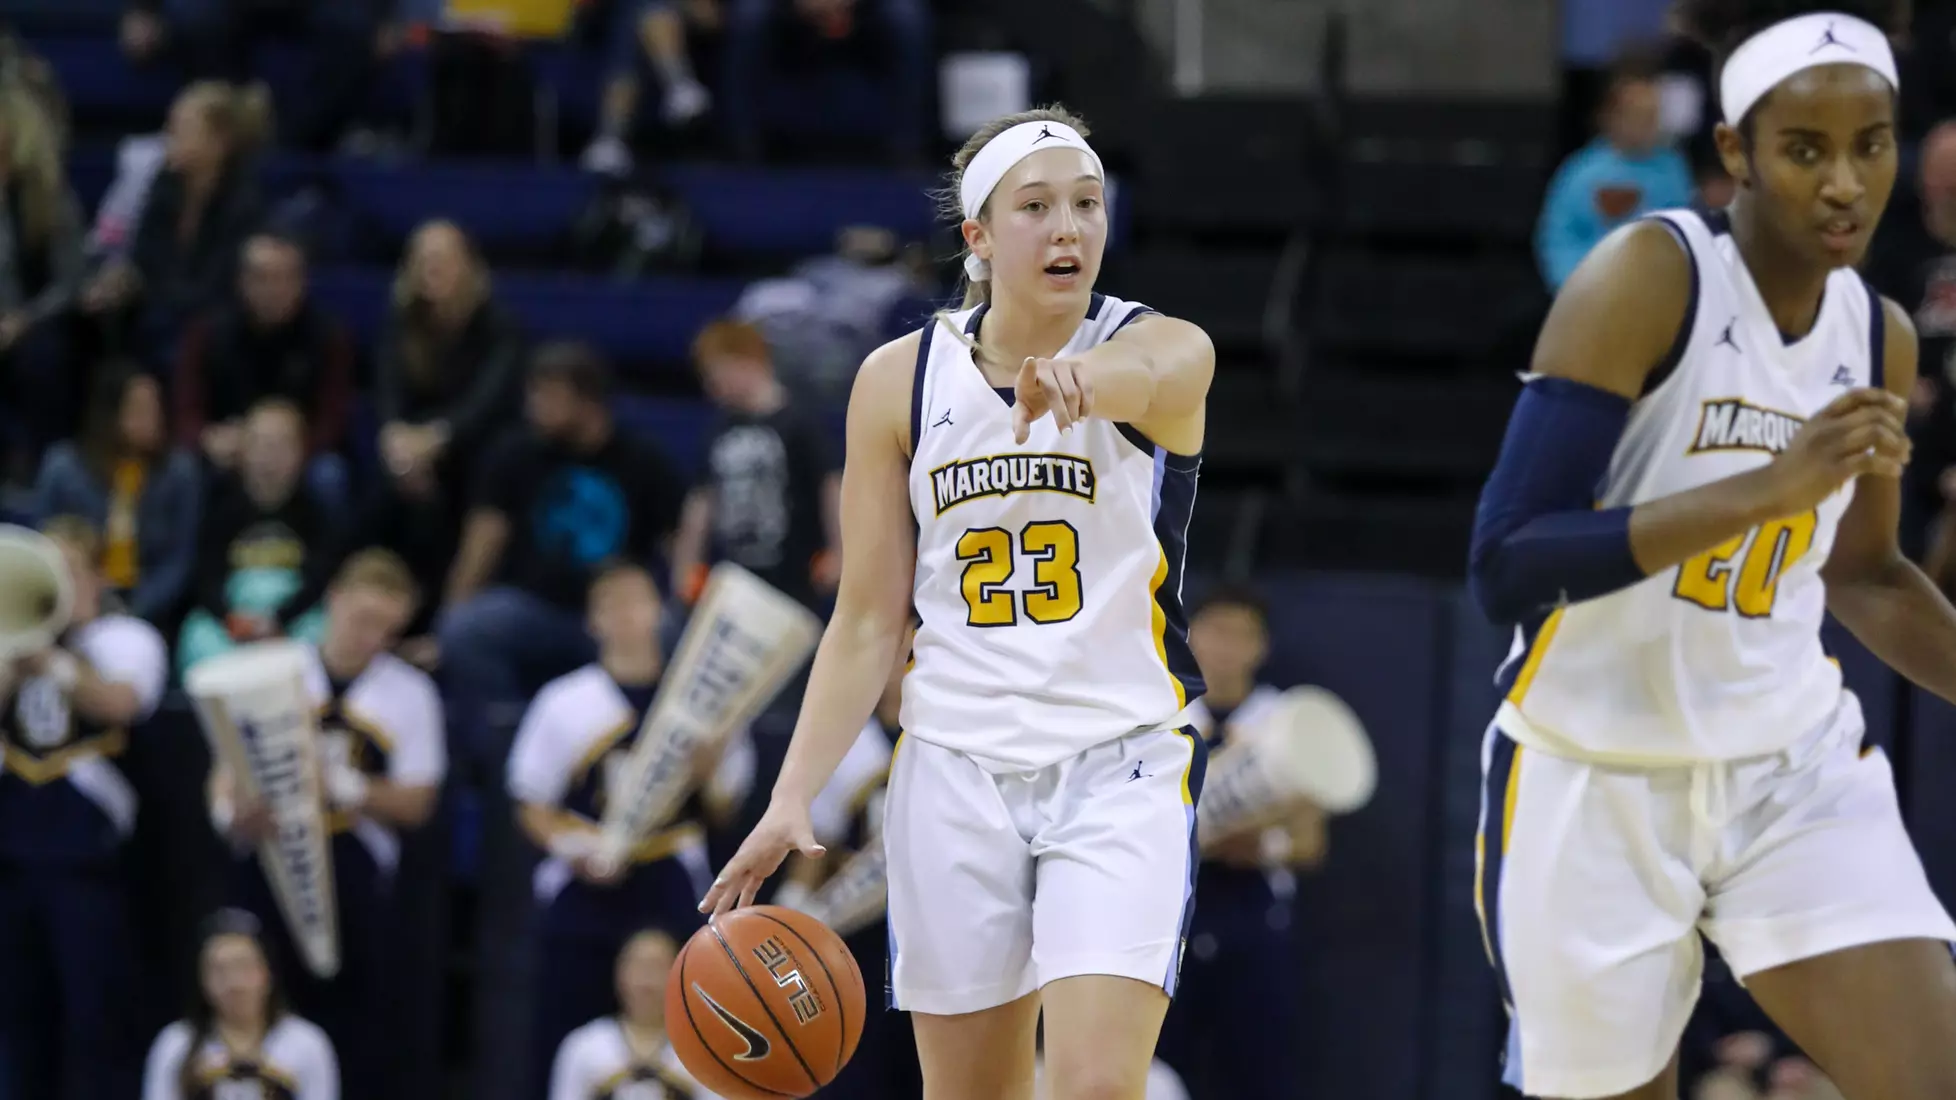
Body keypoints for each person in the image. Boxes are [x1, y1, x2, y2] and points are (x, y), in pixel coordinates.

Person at [1466, 2, 1956, 1097]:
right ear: (1735, 150)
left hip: (1788, 763)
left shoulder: (1877, 332)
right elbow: (1506, 560)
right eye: (1806, 150)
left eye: (1872, 146)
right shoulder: (1649, 276)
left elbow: (1868, 574)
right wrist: (1767, 490)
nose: (1845, 183)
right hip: (1594, 774)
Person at [704, 104, 1217, 1100]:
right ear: (979, 236)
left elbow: (1155, 372)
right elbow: (867, 618)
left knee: (1096, 1086)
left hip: (1119, 760)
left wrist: (1083, 380)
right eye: (1037, 206)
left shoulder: (1160, 346)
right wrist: (791, 793)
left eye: (1087, 204)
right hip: (953, 766)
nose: (1068, 228)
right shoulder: (897, 380)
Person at [208, 549, 443, 1099]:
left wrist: (344, 785)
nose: (371, 637)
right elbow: (223, 772)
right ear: (334, 600)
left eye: (387, 628)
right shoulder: (273, 667)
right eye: (363, 619)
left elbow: (418, 803)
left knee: (354, 1022)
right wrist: (230, 814)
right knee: (258, 1006)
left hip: (352, 869)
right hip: (270, 857)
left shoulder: (411, 692)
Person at [507, 560, 736, 1098]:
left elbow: (725, 811)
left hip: (671, 875)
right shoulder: (565, 700)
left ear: (659, 611)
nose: (627, 615)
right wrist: (573, 846)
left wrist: (709, 773)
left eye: (637, 601)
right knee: (567, 1029)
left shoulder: (700, 700)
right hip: (587, 882)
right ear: (593, 621)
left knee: (691, 1027)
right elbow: (529, 802)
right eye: (611, 605)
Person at [439, 343, 683, 765]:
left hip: (615, 614)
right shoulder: (516, 453)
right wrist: (452, 607)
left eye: (547, 397)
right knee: (465, 629)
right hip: (536, 609)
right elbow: (482, 541)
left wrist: (678, 603)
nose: (534, 407)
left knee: (677, 636)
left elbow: (679, 545)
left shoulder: (643, 459)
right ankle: (509, 751)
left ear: (588, 401)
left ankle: (645, 751)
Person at [0, 515, 170, 1100]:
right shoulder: (11, 638)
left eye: (70, 572)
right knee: (18, 1022)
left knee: (95, 1022)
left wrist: (56, 662)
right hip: (12, 859)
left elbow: (123, 704)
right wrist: (16, 652)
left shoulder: (125, 639)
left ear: (98, 578)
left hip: (88, 864)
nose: (59, 585)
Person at [1155, 583, 1325, 1099]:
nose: (1226, 647)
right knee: (1158, 1066)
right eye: (1215, 631)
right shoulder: (1161, 712)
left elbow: (1310, 841)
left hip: (1252, 912)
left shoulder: (1283, 719)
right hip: (1169, 912)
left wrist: (1261, 847)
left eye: (1240, 635)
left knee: (1256, 1068)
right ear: (1191, 636)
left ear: (1261, 646)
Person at [671, 318, 843, 612]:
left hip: (794, 574)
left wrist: (839, 551)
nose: (712, 387)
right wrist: (686, 563)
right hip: (738, 576)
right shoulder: (720, 428)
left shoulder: (799, 422)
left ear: (748, 361)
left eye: (717, 373)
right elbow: (702, 500)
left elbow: (829, 486)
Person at [33, 366, 201, 624]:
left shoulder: (179, 472)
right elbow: (43, 541)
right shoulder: (64, 468)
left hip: (150, 606)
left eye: (155, 408)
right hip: (74, 601)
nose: (151, 419)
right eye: (139, 409)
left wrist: (135, 609)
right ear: (111, 413)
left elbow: (180, 559)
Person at [179, 398, 329, 676]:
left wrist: (279, 620)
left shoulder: (316, 512)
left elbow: (319, 579)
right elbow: (206, 577)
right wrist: (231, 618)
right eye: (261, 444)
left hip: (291, 619)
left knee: (323, 630)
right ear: (243, 451)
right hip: (233, 620)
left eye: (282, 446)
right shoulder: (219, 509)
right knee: (197, 634)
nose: (270, 456)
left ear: (302, 453)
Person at [1537, 45, 1699, 291]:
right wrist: (1573, 285)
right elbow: (1557, 237)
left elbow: (1685, 231)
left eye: (1652, 116)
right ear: (1609, 117)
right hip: (1589, 292)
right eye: (1636, 116)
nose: (1647, 127)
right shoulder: (1581, 172)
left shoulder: (1673, 169)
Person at [141, 909, 340, 1100]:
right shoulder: (176, 1044)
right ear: (202, 980)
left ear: (267, 973)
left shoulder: (306, 1043)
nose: (234, 983)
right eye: (220, 970)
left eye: (243, 966)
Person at [547, 928, 725, 1100]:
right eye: (638, 966)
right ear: (619, 973)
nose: (646, 981)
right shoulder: (584, 1046)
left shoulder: (701, 1053)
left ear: (679, 974)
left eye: (657, 966)